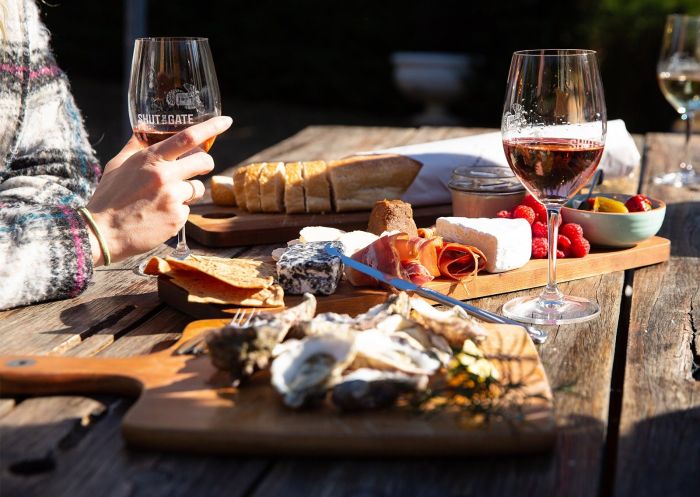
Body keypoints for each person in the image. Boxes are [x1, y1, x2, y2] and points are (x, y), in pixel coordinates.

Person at [0, 0, 232, 310]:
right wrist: (96, 232)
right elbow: (87, 216)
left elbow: (62, 173)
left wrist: (25, 240)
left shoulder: (12, 11)